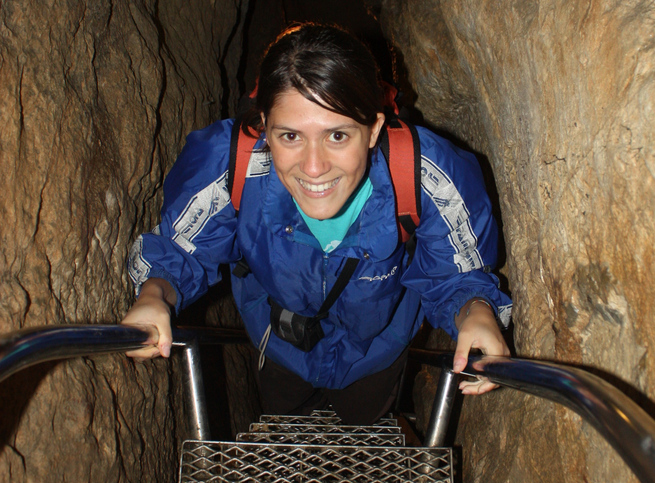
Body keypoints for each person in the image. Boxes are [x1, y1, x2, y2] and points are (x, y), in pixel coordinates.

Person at [122, 23, 512, 425]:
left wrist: (476, 312)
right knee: (285, 424)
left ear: (373, 129)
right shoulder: (231, 168)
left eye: (338, 136)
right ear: (264, 127)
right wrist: (154, 294)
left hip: (376, 352)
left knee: (365, 433)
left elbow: (458, 275)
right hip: (280, 345)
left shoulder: (424, 176)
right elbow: (181, 252)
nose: (313, 166)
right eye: (290, 135)